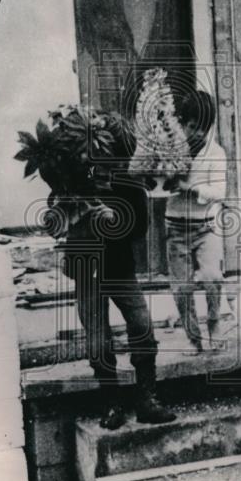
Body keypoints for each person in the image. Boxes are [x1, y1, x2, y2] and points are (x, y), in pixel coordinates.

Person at [62, 166, 177, 430]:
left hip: (118, 266)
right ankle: (111, 404)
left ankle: (147, 401)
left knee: (142, 326)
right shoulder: (70, 175)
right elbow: (58, 219)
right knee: (98, 342)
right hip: (85, 267)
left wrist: (115, 218)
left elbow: (140, 227)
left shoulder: (128, 176)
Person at [164, 89, 228, 354]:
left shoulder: (216, 153)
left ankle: (214, 324)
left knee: (213, 277)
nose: (198, 133)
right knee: (181, 288)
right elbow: (155, 183)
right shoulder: (169, 149)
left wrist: (190, 187)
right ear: (182, 124)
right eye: (192, 126)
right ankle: (194, 339)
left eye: (204, 127)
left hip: (206, 227)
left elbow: (220, 192)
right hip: (176, 227)